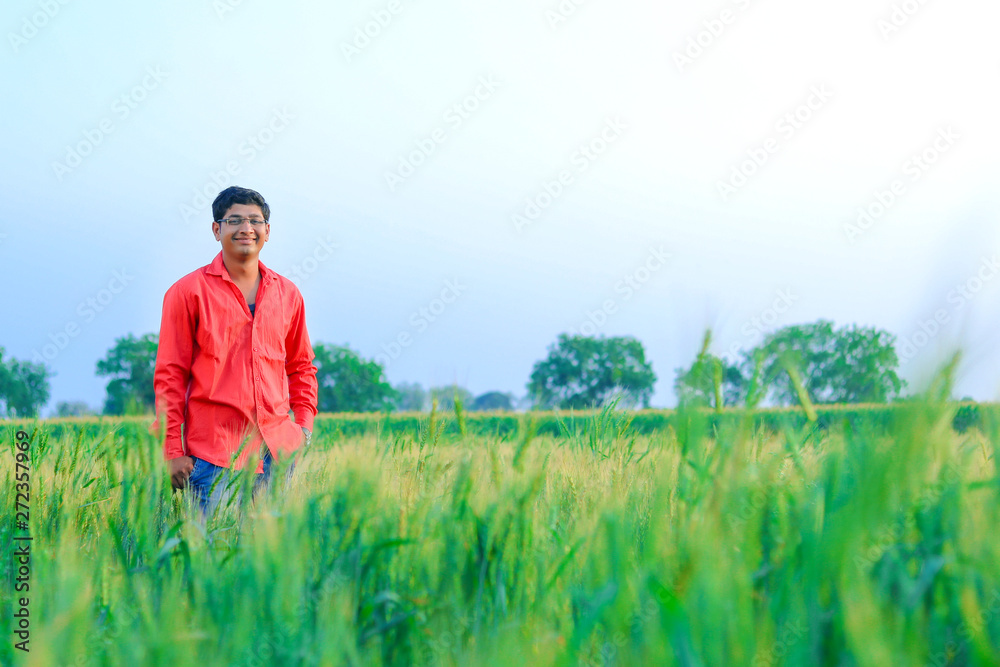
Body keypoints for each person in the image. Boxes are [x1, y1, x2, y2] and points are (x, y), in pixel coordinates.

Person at [152, 186, 318, 516]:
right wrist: (171, 450)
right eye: (235, 220)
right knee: (213, 558)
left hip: (278, 453)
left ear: (267, 232)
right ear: (217, 229)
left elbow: (301, 367)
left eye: (255, 221)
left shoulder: (288, 294)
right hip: (214, 457)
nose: (246, 228)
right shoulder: (187, 293)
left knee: (269, 560)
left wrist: (303, 428)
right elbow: (170, 377)